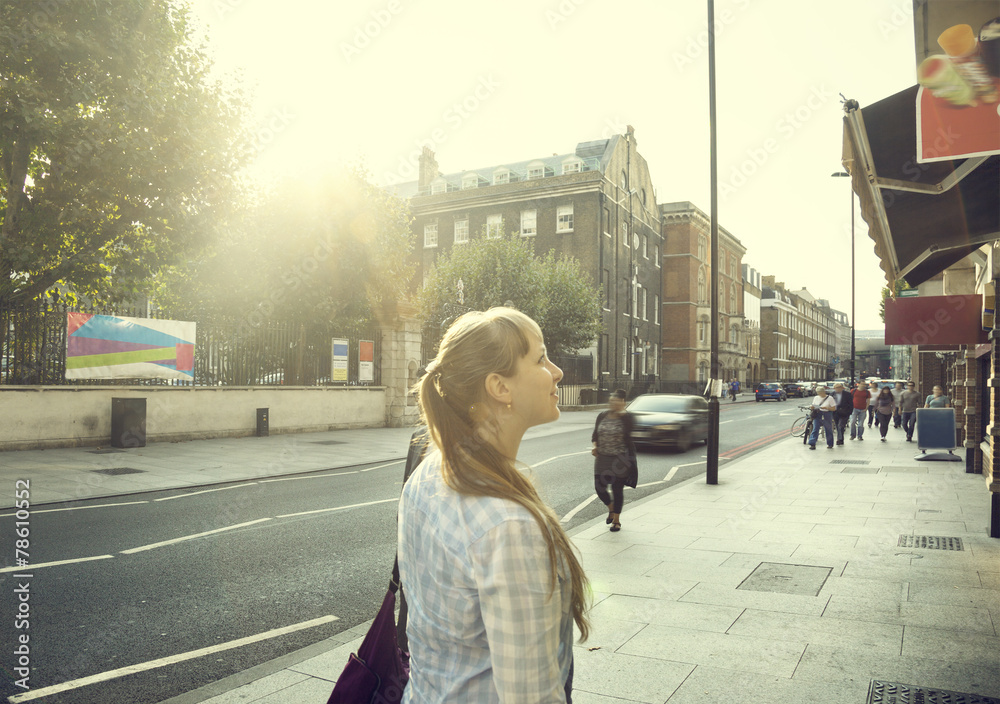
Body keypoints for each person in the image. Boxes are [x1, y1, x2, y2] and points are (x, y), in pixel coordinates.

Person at [398, 307, 588, 703]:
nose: (557, 372)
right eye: (540, 359)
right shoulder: (508, 526)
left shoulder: (427, 472)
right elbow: (531, 696)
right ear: (500, 387)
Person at [591, 389, 638, 532]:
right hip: (602, 457)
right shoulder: (602, 416)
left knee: (617, 489)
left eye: (617, 401)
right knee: (599, 488)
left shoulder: (627, 418)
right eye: (611, 401)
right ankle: (611, 509)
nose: (613, 404)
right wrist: (595, 446)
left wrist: (622, 413)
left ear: (623, 403)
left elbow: (630, 434)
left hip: (620, 459)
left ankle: (616, 520)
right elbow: (595, 435)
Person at [808, 385, 836, 450]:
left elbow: (834, 408)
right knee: (815, 429)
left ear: (823, 392)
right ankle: (812, 444)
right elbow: (813, 405)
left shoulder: (830, 398)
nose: (819, 394)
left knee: (828, 429)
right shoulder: (816, 397)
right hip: (817, 413)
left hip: (826, 414)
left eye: (820, 393)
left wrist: (827, 408)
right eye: (818, 393)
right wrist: (812, 407)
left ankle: (830, 444)